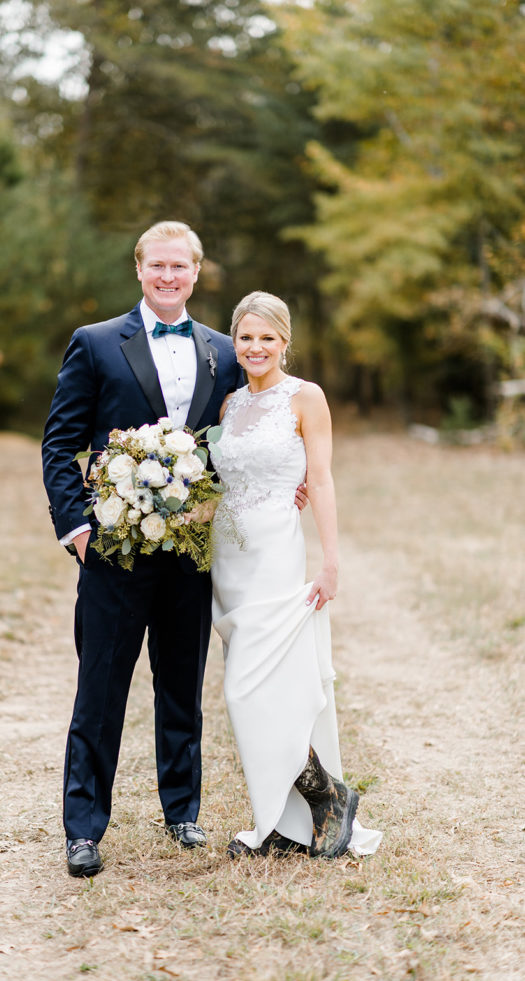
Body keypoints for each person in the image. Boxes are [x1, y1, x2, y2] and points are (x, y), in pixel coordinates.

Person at [42, 220, 248, 878]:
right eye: (156, 265)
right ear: (139, 269)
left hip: (189, 550)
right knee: (100, 687)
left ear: (195, 271)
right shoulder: (96, 343)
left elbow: (237, 444)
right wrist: (77, 529)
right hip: (112, 553)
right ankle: (83, 826)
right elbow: (60, 442)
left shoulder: (223, 350)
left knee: (182, 684)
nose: (167, 276)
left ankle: (181, 809)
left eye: (179, 267)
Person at [209, 291, 382, 859]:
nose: (255, 347)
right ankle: (283, 824)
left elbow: (322, 480)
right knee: (258, 690)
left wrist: (330, 561)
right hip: (229, 558)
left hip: (278, 557)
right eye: (245, 337)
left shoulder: (306, 398)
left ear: (285, 341)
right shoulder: (228, 406)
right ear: (234, 342)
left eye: (267, 337)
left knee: (252, 689)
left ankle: (327, 797)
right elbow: (219, 482)